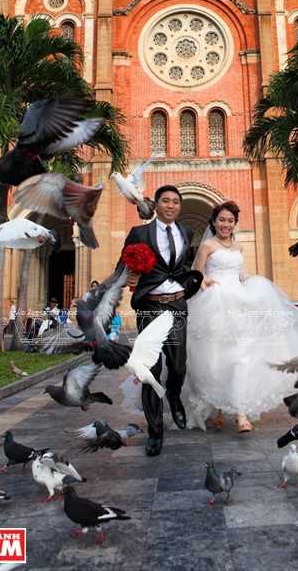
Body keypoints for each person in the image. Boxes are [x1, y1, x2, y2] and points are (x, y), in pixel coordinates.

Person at [183, 201, 298, 433]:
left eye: (230, 221)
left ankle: (240, 413)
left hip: (239, 304)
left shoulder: (239, 247)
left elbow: (235, 271)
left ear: (235, 224)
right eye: (221, 220)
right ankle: (219, 407)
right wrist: (204, 281)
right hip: (216, 303)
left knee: (242, 356)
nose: (225, 224)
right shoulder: (207, 247)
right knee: (216, 359)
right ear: (213, 222)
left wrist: (244, 277)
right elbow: (195, 275)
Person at [121, 184, 204, 457]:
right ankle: (155, 433)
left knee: (178, 366)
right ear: (155, 204)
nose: (171, 206)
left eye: (175, 202)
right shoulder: (139, 232)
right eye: (165, 201)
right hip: (149, 307)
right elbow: (123, 265)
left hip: (177, 306)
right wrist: (129, 277)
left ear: (180, 207)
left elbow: (180, 268)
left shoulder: (186, 232)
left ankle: (174, 395)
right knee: (150, 371)